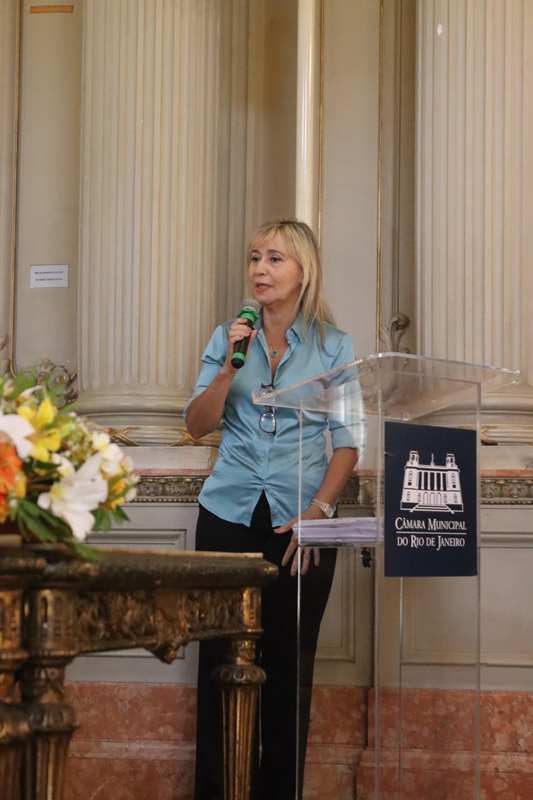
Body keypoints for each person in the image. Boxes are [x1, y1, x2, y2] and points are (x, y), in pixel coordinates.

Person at [185, 218, 360, 800]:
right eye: (255, 258)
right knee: (218, 666)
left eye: (275, 259)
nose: (260, 269)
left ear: (303, 272)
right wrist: (232, 363)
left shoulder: (334, 346)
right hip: (228, 515)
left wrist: (319, 513)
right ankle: (217, 791)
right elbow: (196, 426)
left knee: (287, 669)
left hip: (299, 525)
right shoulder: (226, 337)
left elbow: (349, 441)